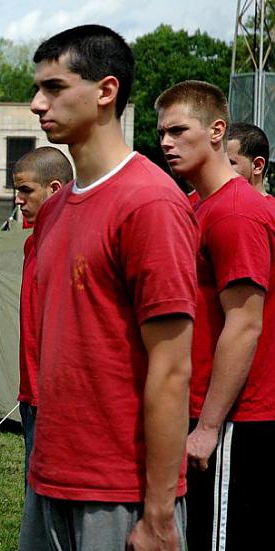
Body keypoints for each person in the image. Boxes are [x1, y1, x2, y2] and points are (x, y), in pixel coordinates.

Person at [18, 25, 197, 551]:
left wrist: (160, 513)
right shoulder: (52, 210)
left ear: (105, 90)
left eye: (53, 88)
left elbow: (171, 368)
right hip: (49, 474)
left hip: (120, 492)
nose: (36, 104)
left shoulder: (150, 204)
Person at [156, 81, 275, 550]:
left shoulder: (236, 212)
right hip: (197, 409)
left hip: (232, 420)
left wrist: (208, 428)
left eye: (178, 130)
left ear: (216, 131)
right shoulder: (193, 206)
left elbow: (245, 323)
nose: (166, 142)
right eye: (161, 132)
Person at [12, 146, 72, 479]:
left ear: (54, 189)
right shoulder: (31, 242)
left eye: (26, 190)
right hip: (31, 393)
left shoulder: (74, 241)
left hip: (60, 400)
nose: (18, 200)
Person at [227, 121, 270, 197]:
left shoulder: (270, 208)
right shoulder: (205, 202)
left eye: (230, 163)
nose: (220, 169)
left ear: (257, 166)